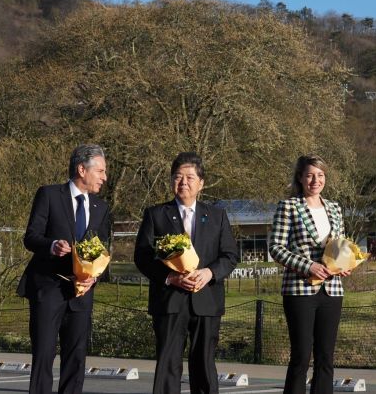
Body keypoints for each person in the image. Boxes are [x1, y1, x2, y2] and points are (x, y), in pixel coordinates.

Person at [133, 152, 239, 394]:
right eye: (178, 177)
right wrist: (170, 277)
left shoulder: (217, 216)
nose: (183, 182)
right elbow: (142, 256)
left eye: (190, 177)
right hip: (169, 299)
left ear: (201, 183)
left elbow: (230, 256)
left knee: (204, 362)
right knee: (168, 363)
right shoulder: (155, 214)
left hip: (207, 300)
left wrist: (209, 273)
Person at [18, 143, 112, 394]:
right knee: (44, 353)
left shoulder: (101, 208)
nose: (105, 177)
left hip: (82, 292)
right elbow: (31, 237)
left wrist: (94, 277)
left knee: (76, 357)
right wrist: (51, 245)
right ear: (82, 169)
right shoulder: (49, 195)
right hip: (49, 288)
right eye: (100, 171)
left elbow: (102, 250)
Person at [268, 154, 349, 394]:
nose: (316, 180)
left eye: (321, 175)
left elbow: (340, 245)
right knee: (301, 356)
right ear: (301, 178)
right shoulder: (289, 206)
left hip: (332, 290)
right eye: (310, 175)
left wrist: (345, 263)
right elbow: (276, 248)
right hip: (300, 290)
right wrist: (308, 266)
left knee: (326, 357)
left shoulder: (335, 208)